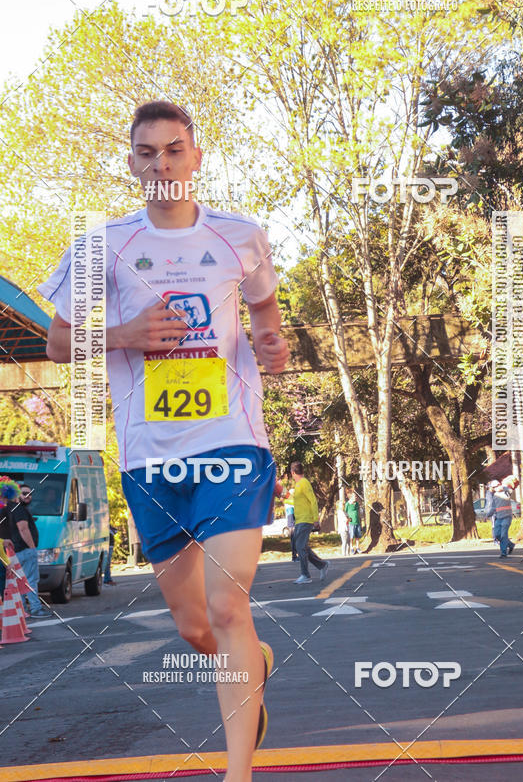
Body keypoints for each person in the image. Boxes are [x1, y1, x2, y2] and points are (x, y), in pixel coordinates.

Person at [40, 100, 290, 778]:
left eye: (174, 150)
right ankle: (253, 666)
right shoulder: (102, 248)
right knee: (195, 627)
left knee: (227, 601)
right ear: (131, 164)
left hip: (232, 443)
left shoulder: (240, 235)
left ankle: (237, 772)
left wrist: (270, 339)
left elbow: (264, 305)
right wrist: (125, 335)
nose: (162, 164)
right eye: (147, 153)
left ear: (196, 157)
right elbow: (57, 342)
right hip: (151, 456)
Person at [10, 483, 51, 616]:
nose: (28, 496)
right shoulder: (20, 510)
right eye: (24, 493)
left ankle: (22, 610)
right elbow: (23, 528)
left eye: (30, 493)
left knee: (20, 581)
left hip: (17, 552)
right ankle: (35, 609)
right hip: (25, 551)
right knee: (31, 580)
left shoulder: (13, 509)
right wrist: (32, 547)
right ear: (17, 494)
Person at [290, 462, 328, 584]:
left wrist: (316, 519)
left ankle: (305, 575)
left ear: (293, 472)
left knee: (300, 546)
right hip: (300, 520)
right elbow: (299, 502)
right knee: (302, 547)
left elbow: (313, 501)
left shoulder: (304, 483)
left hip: (306, 520)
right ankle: (322, 565)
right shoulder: (299, 485)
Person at [486, 479, 515, 558]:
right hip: (499, 518)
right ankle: (510, 545)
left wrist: (503, 487)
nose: (495, 488)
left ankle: (503, 553)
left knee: (503, 535)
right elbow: (493, 507)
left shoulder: (506, 492)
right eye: (494, 487)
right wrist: (488, 515)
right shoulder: (495, 496)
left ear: (499, 485)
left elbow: (511, 491)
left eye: (496, 486)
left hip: (507, 517)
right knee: (497, 535)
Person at [345, 490, 362, 554]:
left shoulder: (357, 504)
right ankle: (351, 548)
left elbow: (358, 511)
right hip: (351, 523)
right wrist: (347, 520)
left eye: (356, 496)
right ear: (351, 497)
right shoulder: (347, 504)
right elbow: (345, 512)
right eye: (355, 496)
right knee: (351, 536)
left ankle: (357, 547)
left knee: (357, 536)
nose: (356, 497)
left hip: (357, 521)